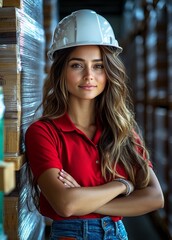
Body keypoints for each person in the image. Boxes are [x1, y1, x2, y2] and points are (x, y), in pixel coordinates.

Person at [25, 9, 164, 240]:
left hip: (118, 234)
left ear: (109, 72)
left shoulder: (122, 130)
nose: (89, 75)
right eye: (77, 65)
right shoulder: (43, 132)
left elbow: (155, 197)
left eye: (98, 66)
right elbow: (66, 205)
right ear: (61, 71)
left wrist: (85, 199)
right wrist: (122, 186)